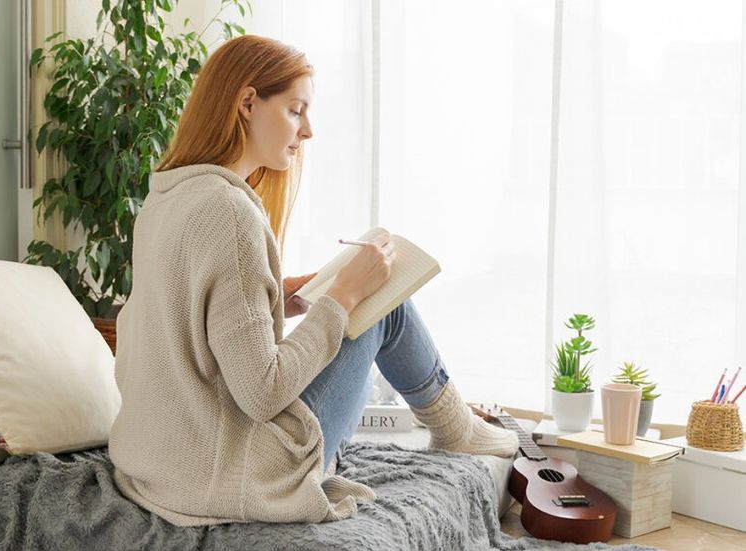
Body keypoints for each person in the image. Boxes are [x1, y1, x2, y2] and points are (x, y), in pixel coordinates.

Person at [107, 34, 518, 528]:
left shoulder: (166, 198)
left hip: (159, 465)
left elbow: (187, 319)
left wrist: (294, 294)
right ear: (247, 103)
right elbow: (261, 393)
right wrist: (343, 297)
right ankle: (455, 427)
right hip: (234, 478)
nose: (309, 131)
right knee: (387, 306)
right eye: (296, 110)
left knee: (361, 300)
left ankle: (456, 423)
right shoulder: (230, 211)